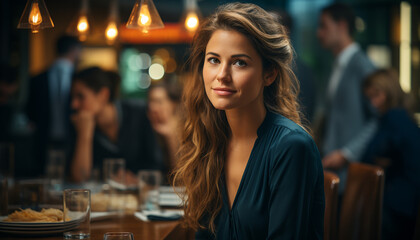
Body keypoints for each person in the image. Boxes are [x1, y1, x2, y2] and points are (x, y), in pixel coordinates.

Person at [172, 3, 324, 239]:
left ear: (269, 74)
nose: (222, 75)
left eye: (239, 62)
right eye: (213, 60)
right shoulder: (212, 138)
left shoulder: (291, 147)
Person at [316, 3, 377, 193]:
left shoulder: (363, 66)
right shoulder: (336, 65)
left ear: (342, 26)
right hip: (332, 169)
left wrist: (348, 153)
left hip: (350, 172)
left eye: (324, 26)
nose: (319, 33)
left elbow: (378, 118)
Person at [69, 67, 163, 184]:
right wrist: (84, 136)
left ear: (103, 95)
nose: (74, 105)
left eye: (80, 96)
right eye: (72, 97)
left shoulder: (139, 113)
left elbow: (157, 165)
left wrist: (137, 179)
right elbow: (79, 179)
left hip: (140, 196)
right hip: (105, 199)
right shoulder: (78, 124)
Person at [362, 69, 420, 240]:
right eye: (370, 98)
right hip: (407, 200)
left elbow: (370, 154)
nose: (374, 104)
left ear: (389, 92)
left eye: (376, 96)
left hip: (400, 202)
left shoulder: (394, 118)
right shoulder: (403, 117)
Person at [26, 35, 82, 173]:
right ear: (75, 51)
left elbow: (29, 111)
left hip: (48, 138)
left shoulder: (37, 78)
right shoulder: (80, 79)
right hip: (51, 141)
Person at [147, 81, 182, 181]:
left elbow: (180, 177)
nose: (153, 107)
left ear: (174, 104)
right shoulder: (148, 126)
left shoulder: (187, 129)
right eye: (151, 101)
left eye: (159, 101)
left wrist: (170, 137)